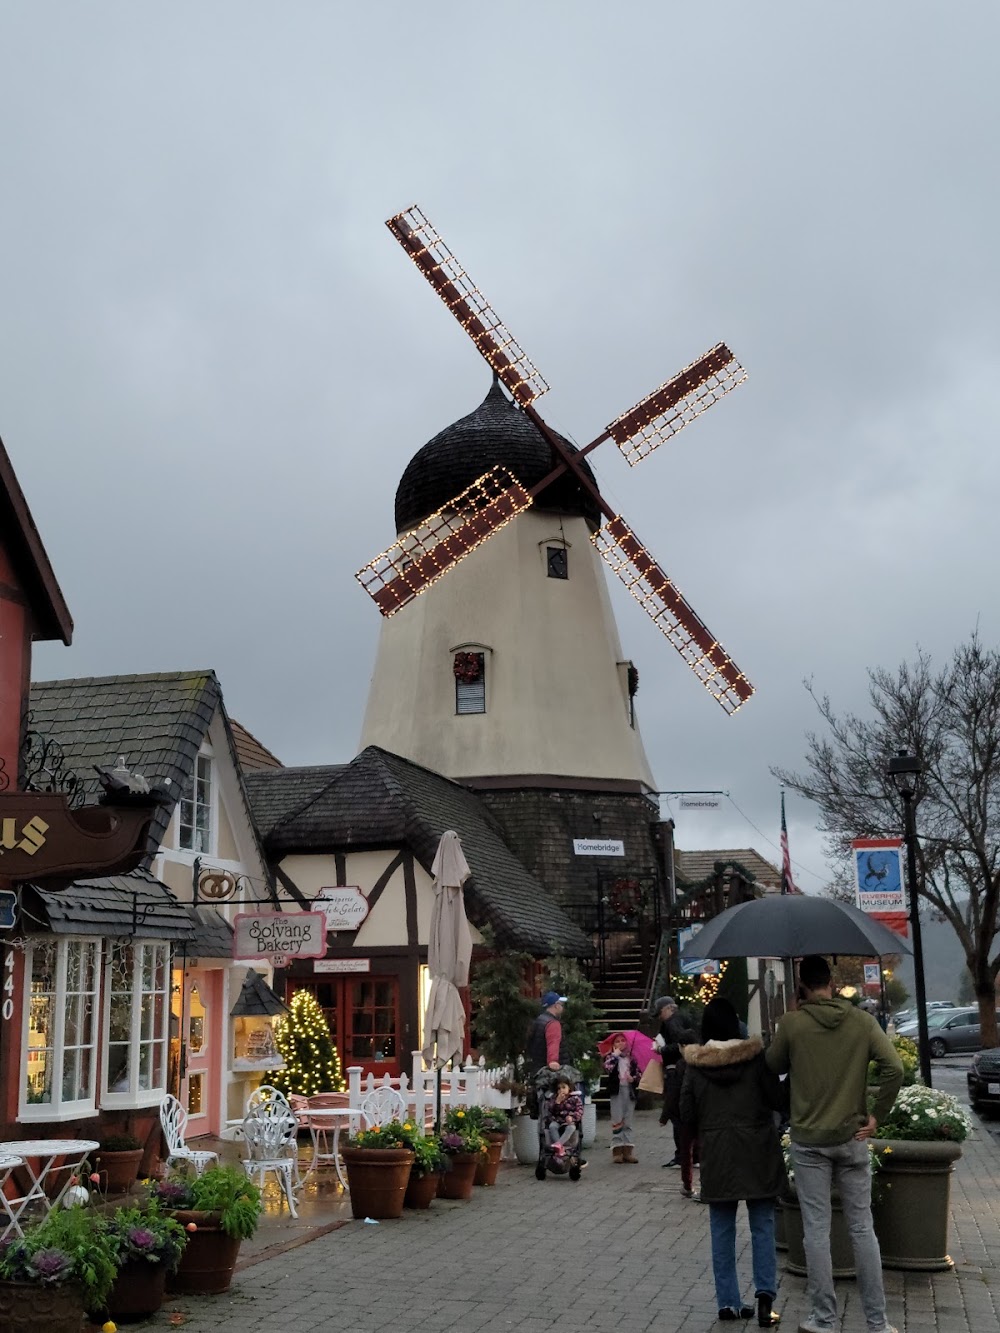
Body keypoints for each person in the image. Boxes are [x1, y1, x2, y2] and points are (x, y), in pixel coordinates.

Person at [765, 956, 904, 1333]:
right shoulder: (860, 1020)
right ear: (830, 981)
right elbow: (895, 1067)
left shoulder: (792, 1023)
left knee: (816, 1229)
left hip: (809, 1141)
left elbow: (771, 1062)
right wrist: (878, 1116)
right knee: (862, 1228)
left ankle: (823, 1319)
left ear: (802, 984)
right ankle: (878, 1323)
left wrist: (794, 1016)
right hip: (852, 1136)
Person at [680, 997, 786, 1327]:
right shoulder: (756, 1060)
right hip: (758, 1150)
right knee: (763, 1226)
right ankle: (766, 1301)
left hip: (718, 1153)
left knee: (721, 1230)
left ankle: (727, 1302)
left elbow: (686, 1113)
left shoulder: (696, 1065)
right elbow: (777, 1100)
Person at [652, 994, 698, 1170]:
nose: (659, 1017)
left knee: (677, 1114)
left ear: (668, 1009)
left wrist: (661, 1049)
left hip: (676, 1070)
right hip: (685, 1068)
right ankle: (693, 1155)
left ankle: (682, 1155)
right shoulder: (683, 1019)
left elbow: (680, 1044)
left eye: (660, 1013)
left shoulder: (672, 1022)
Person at [525, 991, 568, 1115]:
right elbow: (553, 1043)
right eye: (561, 1004)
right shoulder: (553, 1023)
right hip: (550, 1072)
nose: (562, 1007)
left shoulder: (539, 1021)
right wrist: (553, 1061)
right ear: (555, 1005)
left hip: (538, 1068)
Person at [600, 1031, 640, 1164]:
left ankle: (628, 1150)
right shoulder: (611, 1057)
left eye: (623, 1040)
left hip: (629, 1091)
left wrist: (633, 1078)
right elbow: (607, 1068)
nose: (621, 1043)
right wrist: (614, 1056)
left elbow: (639, 1074)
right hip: (617, 1091)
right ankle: (617, 1150)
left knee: (628, 1120)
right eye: (617, 1041)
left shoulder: (632, 1059)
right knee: (617, 1119)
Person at [547, 1074, 584, 1163]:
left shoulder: (575, 1098)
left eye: (563, 1087)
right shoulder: (555, 1098)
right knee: (552, 1126)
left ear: (569, 1088)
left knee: (571, 1128)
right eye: (559, 1089)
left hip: (569, 1122)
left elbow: (580, 1111)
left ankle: (559, 1143)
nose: (561, 1090)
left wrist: (572, 1117)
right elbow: (551, 1111)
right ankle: (559, 1147)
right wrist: (558, 1102)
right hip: (558, 1120)